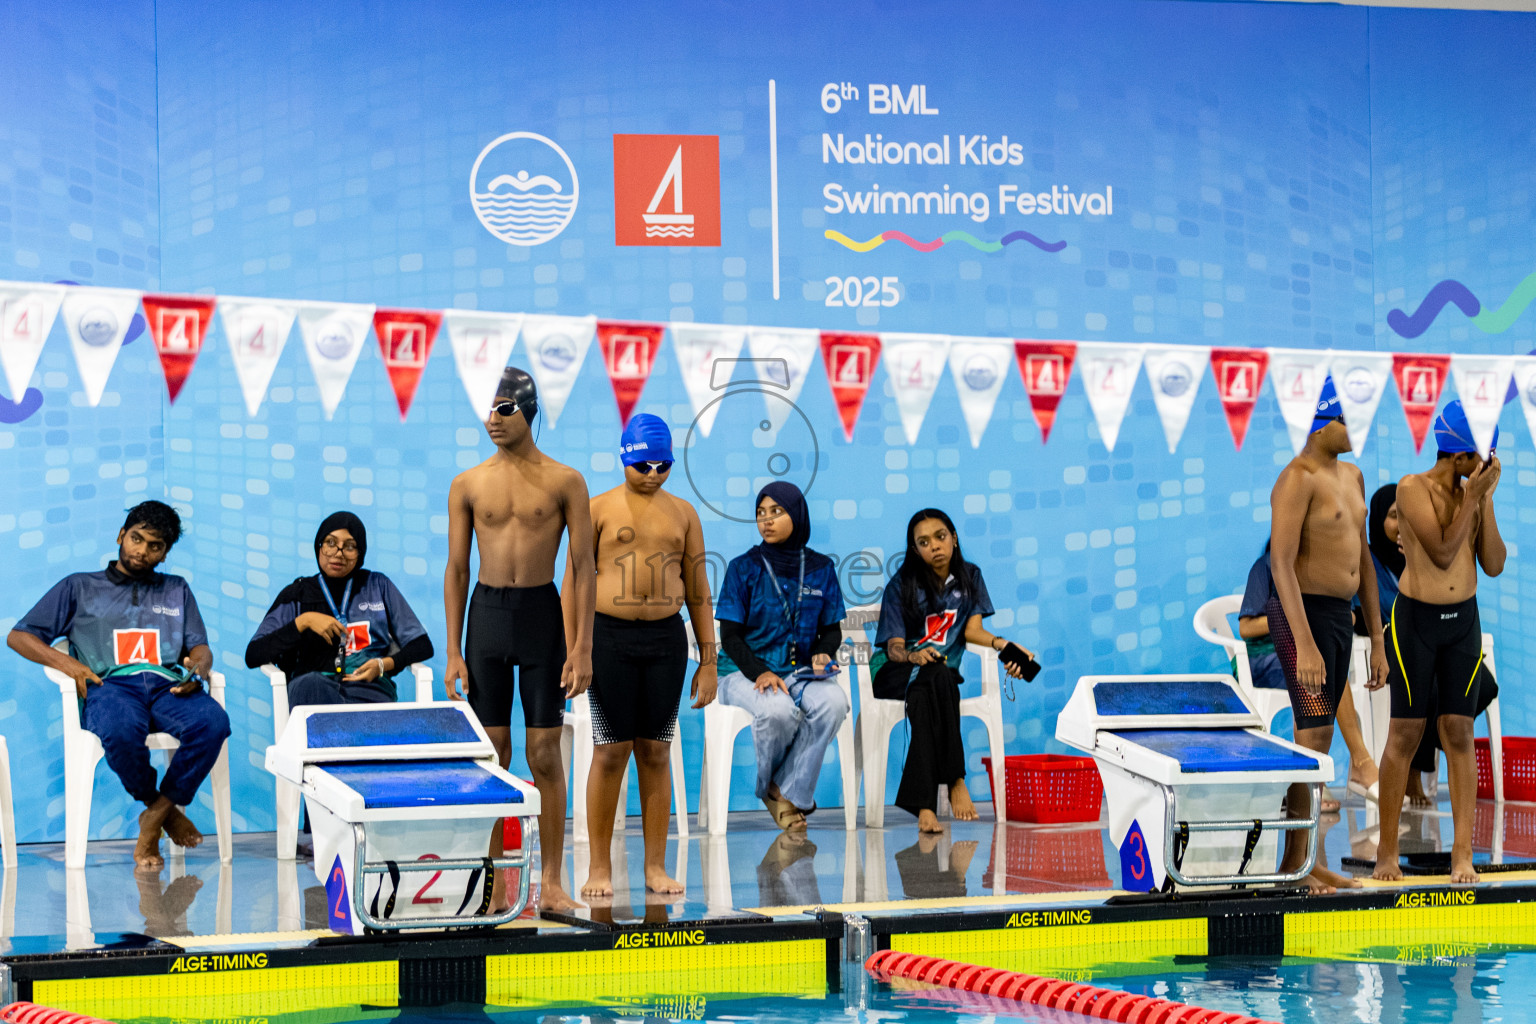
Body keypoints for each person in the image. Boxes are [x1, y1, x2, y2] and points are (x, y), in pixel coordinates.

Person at [6, 500, 231, 871]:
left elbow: (199, 646)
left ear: (165, 553)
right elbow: (20, 637)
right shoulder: (79, 586)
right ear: (120, 536)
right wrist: (70, 666)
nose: (141, 551)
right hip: (111, 687)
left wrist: (201, 669)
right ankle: (163, 811)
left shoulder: (176, 589)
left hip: (168, 687)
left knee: (213, 724)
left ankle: (155, 815)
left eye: (154, 546)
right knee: (118, 730)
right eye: (136, 538)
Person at [444, 366, 595, 912]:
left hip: (539, 616)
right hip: (486, 615)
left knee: (544, 753)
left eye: (504, 409)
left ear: (529, 412)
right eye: (487, 409)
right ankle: (496, 880)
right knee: (493, 753)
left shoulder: (565, 481)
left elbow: (583, 566)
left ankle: (551, 881)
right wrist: (454, 649)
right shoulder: (468, 483)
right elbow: (457, 569)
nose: (492, 420)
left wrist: (582, 648)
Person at [569, 414, 717, 899]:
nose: (653, 474)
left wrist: (709, 660)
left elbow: (698, 590)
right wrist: (576, 649)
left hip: (665, 642)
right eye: (644, 465)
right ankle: (598, 868)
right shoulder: (598, 508)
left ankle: (655, 866)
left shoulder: (683, 514)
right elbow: (573, 583)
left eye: (663, 466)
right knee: (610, 752)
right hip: (607, 638)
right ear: (625, 458)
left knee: (655, 751)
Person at [1373, 402, 1505, 884]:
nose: (1488, 463)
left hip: (1462, 624)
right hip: (1416, 624)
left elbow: (1493, 564)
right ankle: (1387, 853)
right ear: (1459, 455)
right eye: (1482, 455)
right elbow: (1444, 551)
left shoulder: (1474, 492)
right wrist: (1472, 499)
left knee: (1460, 734)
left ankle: (1462, 855)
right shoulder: (1413, 489)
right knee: (1405, 735)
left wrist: (1484, 503)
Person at [1268, 377, 1388, 892]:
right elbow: (1279, 564)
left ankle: (1308, 861)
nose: (1356, 430)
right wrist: (1306, 643)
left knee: (1321, 746)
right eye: (1349, 420)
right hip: (1303, 615)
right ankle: (1295, 865)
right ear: (1321, 422)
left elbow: (1363, 558)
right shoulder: (1296, 478)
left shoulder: (1353, 477)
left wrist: (1378, 639)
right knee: (1310, 740)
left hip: (1341, 615)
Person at [871, 509, 1030, 833]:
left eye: (940, 536)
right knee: (939, 678)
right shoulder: (902, 584)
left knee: (935, 685)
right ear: (915, 550)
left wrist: (1003, 645)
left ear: (954, 538)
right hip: (894, 673)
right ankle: (956, 779)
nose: (935, 546)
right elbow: (893, 648)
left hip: (936, 679)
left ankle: (924, 805)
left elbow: (972, 631)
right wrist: (914, 656)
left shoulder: (971, 576)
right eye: (924, 542)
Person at [716, 482, 847, 831]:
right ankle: (773, 792)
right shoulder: (743, 567)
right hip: (742, 671)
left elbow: (832, 629)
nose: (766, 521)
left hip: (799, 671)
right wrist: (759, 671)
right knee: (778, 711)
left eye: (776, 512)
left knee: (833, 703)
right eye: (761, 513)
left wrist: (822, 653)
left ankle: (786, 788)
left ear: (798, 514)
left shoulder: (820, 567)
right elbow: (729, 637)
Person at [1364, 484, 1499, 809]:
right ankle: (1411, 772)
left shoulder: (1422, 552)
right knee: (1424, 699)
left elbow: (1493, 565)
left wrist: (1485, 499)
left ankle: (1441, 737)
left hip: (1443, 639)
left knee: (1482, 689)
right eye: (1394, 516)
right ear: (1378, 520)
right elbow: (1359, 613)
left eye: (1406, 516)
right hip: (1401, 642)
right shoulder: (1369, 561)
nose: (1401, 525)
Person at [1238, 540, 1379, 810]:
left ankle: (1316, 785)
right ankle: (1356, 763)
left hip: (1314, 649)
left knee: (1326, 668)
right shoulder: (1266, 566)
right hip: (1268, 657)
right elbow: (1246, 627)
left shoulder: (1324, 569)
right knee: (1320, 673)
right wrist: (1294, 613)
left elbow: (1349, 617)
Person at [245, 511, 434, 707]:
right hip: (313, 689)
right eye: (330, 543)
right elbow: (254, 654)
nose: (338, 553)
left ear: (360, 553)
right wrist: (304, 621)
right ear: (319, 546)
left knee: (371, 716)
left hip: (368, 687)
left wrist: (382, 665)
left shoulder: (378, 586)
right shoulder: (297, 594)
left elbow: (421, 645)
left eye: (350, 546)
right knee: (312, 685)